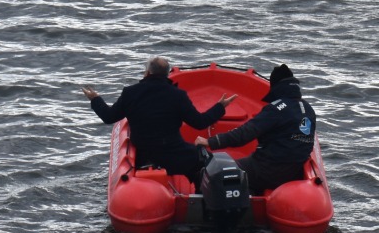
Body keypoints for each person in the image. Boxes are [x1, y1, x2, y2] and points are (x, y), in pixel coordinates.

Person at [83, 57, 236, 186]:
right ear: (167, 75)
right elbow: (200, 122)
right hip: (175, 157)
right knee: (203, 159)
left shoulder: (130, 93)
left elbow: (109, 117)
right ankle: (198, 195)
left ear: (147, 72)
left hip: (144, 157)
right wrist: (220, 107)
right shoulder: (178, 95)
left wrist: (95, 99)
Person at [196, 64, 317, 193]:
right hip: (293, 171)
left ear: (275, 87)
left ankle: (200, 207)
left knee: (210, 172)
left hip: (267, 169)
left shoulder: (276, 109)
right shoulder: (308, 109)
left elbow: (244, 134)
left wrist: (210, 142)